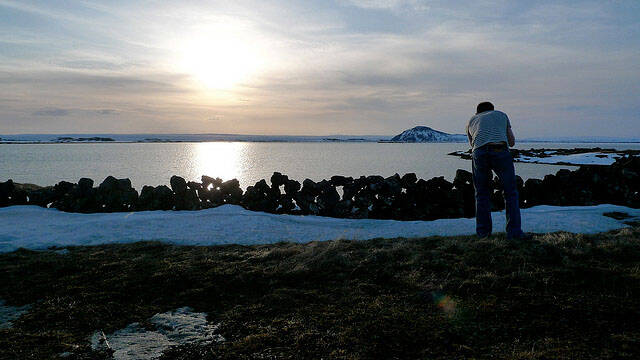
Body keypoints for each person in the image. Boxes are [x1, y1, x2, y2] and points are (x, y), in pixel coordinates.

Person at [466, 102, 531, 240]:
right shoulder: (501, 115)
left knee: (482, 194)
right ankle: (514, 233)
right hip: (500, 150)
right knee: (510, 193)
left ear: (478, 112)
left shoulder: (472, 120)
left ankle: (483, 234)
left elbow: (473, 145)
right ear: (492, 109)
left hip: (479, 153)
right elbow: (512, 142)